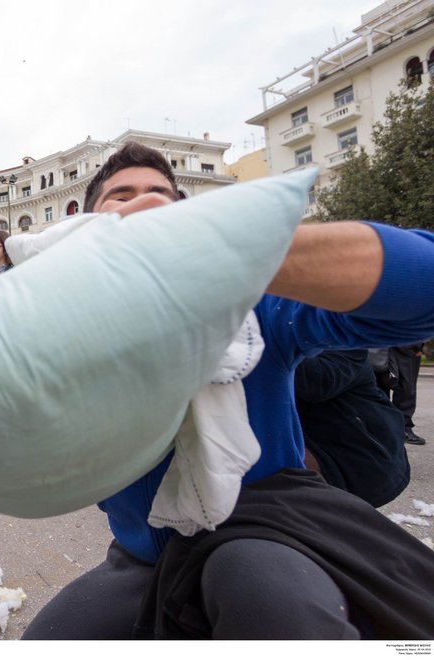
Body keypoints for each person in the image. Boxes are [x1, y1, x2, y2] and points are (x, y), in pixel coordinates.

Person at [22, 141, 434, 640]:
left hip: (271, 535)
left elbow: (422, 290)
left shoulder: (249, 307)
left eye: (161, 197)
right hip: (145, 558)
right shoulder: (59, 329)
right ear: (83, 226)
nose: (144, 204)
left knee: (265, 599)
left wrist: (234, 254)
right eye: (122, 196)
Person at [294, 349, 408, 507]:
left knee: (273, 472)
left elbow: (316, 382)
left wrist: (266, 337)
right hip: (315, 441)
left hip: (359, 454)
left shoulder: (344, 345)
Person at [389, 343, 427, 445]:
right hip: (380, 343)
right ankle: (381, 428)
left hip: (406, 346)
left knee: (407, 388)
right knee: (378, 386)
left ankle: (402, 428)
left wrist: (419, 346)